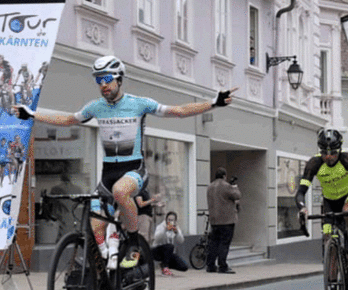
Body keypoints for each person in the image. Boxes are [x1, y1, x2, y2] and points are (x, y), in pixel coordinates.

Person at [14, 55, 237, 270]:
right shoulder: (96, 107)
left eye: (107, 79)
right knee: (95, 222)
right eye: (98, 80)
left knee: (121, 192)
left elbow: (177, 111)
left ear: (119, 79)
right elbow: (68, 119)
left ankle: (132, 241)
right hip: (107, 174)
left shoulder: (139, 104)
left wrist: (213, 103)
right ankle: (104, 268)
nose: (103, 85)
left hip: (134, 170)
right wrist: (33, 114)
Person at [295, 129, 348, 276]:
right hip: (329, 200)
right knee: (327, 234)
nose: (328, 157)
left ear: (339, 149)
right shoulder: (314, 163)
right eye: (324, 152)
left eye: (333, 152)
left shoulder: (347, 159)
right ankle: (333, 277)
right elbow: (301, 192)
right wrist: (302, 208)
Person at [206, 167, 242, 274]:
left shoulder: (210, 186)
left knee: (213, 243)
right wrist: (235, 187)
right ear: (224, 176)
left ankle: (210, 265)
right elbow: (237, 195)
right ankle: (223, 266)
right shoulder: (226, 186)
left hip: (214, 220)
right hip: (226, 220)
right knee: (224, 243)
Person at [50, 173, 83, 242]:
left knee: (61, 241)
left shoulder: (56, 189)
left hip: (63, 218)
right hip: (75, 219)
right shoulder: (78, 189)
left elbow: (53, 205)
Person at [152, 211, 188, 276]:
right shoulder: (161, 226)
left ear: (175, 221)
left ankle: (164, 265)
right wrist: (165, 229)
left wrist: (177, 232)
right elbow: (156, 238)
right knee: (170, 246)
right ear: (166, 219)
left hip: (168, 254)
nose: (170, 222)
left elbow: (181, 240)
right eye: (169, 220)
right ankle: (165, 268)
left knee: (184, 267)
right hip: (157, 251)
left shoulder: (176, 227)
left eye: (172, 220)